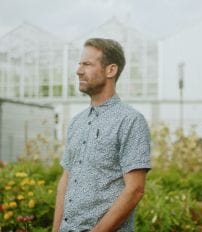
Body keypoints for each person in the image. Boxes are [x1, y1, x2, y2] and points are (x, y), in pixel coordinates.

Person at [52, 38, 151, 232]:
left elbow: (135, 189)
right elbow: (66, 179)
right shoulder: (77, 122)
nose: (78, 70)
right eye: (79, 64)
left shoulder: (130, 121)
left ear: (111, 70)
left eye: (87, 64)